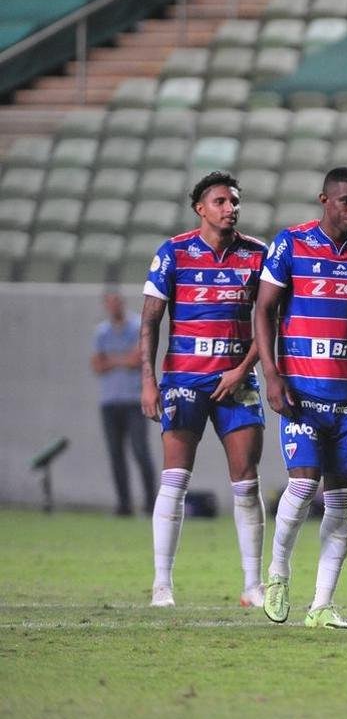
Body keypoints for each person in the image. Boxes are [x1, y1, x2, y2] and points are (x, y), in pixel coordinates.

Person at [254, 166, 347, 629]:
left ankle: (322, 605)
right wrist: (272, 375)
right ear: (325, 200)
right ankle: (277, 573)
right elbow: (263, 310)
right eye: (346, 201)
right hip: (300, 388)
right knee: (301, 487)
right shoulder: (290, 244)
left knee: (341, 504)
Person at [139, 171, 268, 609]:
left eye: (234, 201)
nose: (230, 207)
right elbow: (150, 320)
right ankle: (162, 585)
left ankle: (253, 585)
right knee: (174, 480)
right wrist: (148, 379)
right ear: (201, 208)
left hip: (238, 383)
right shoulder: (173, 252)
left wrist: (242, 369)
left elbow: (268, 325)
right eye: (221, 201)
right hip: (183, 380)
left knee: (246, 483)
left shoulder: (256, 255)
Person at [92, 289, 156, 517]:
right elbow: (97, 366)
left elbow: (135, 360)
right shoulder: (101, 332)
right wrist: (121, 359)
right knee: (115, 455)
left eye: (116, 302)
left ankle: (150, 504)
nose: (113, 307)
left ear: (122, 303)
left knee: (140, 452)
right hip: (110, 402)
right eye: (109, 303)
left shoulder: (137, 326)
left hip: (133, 400)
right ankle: (124, 505)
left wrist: (111, 359)